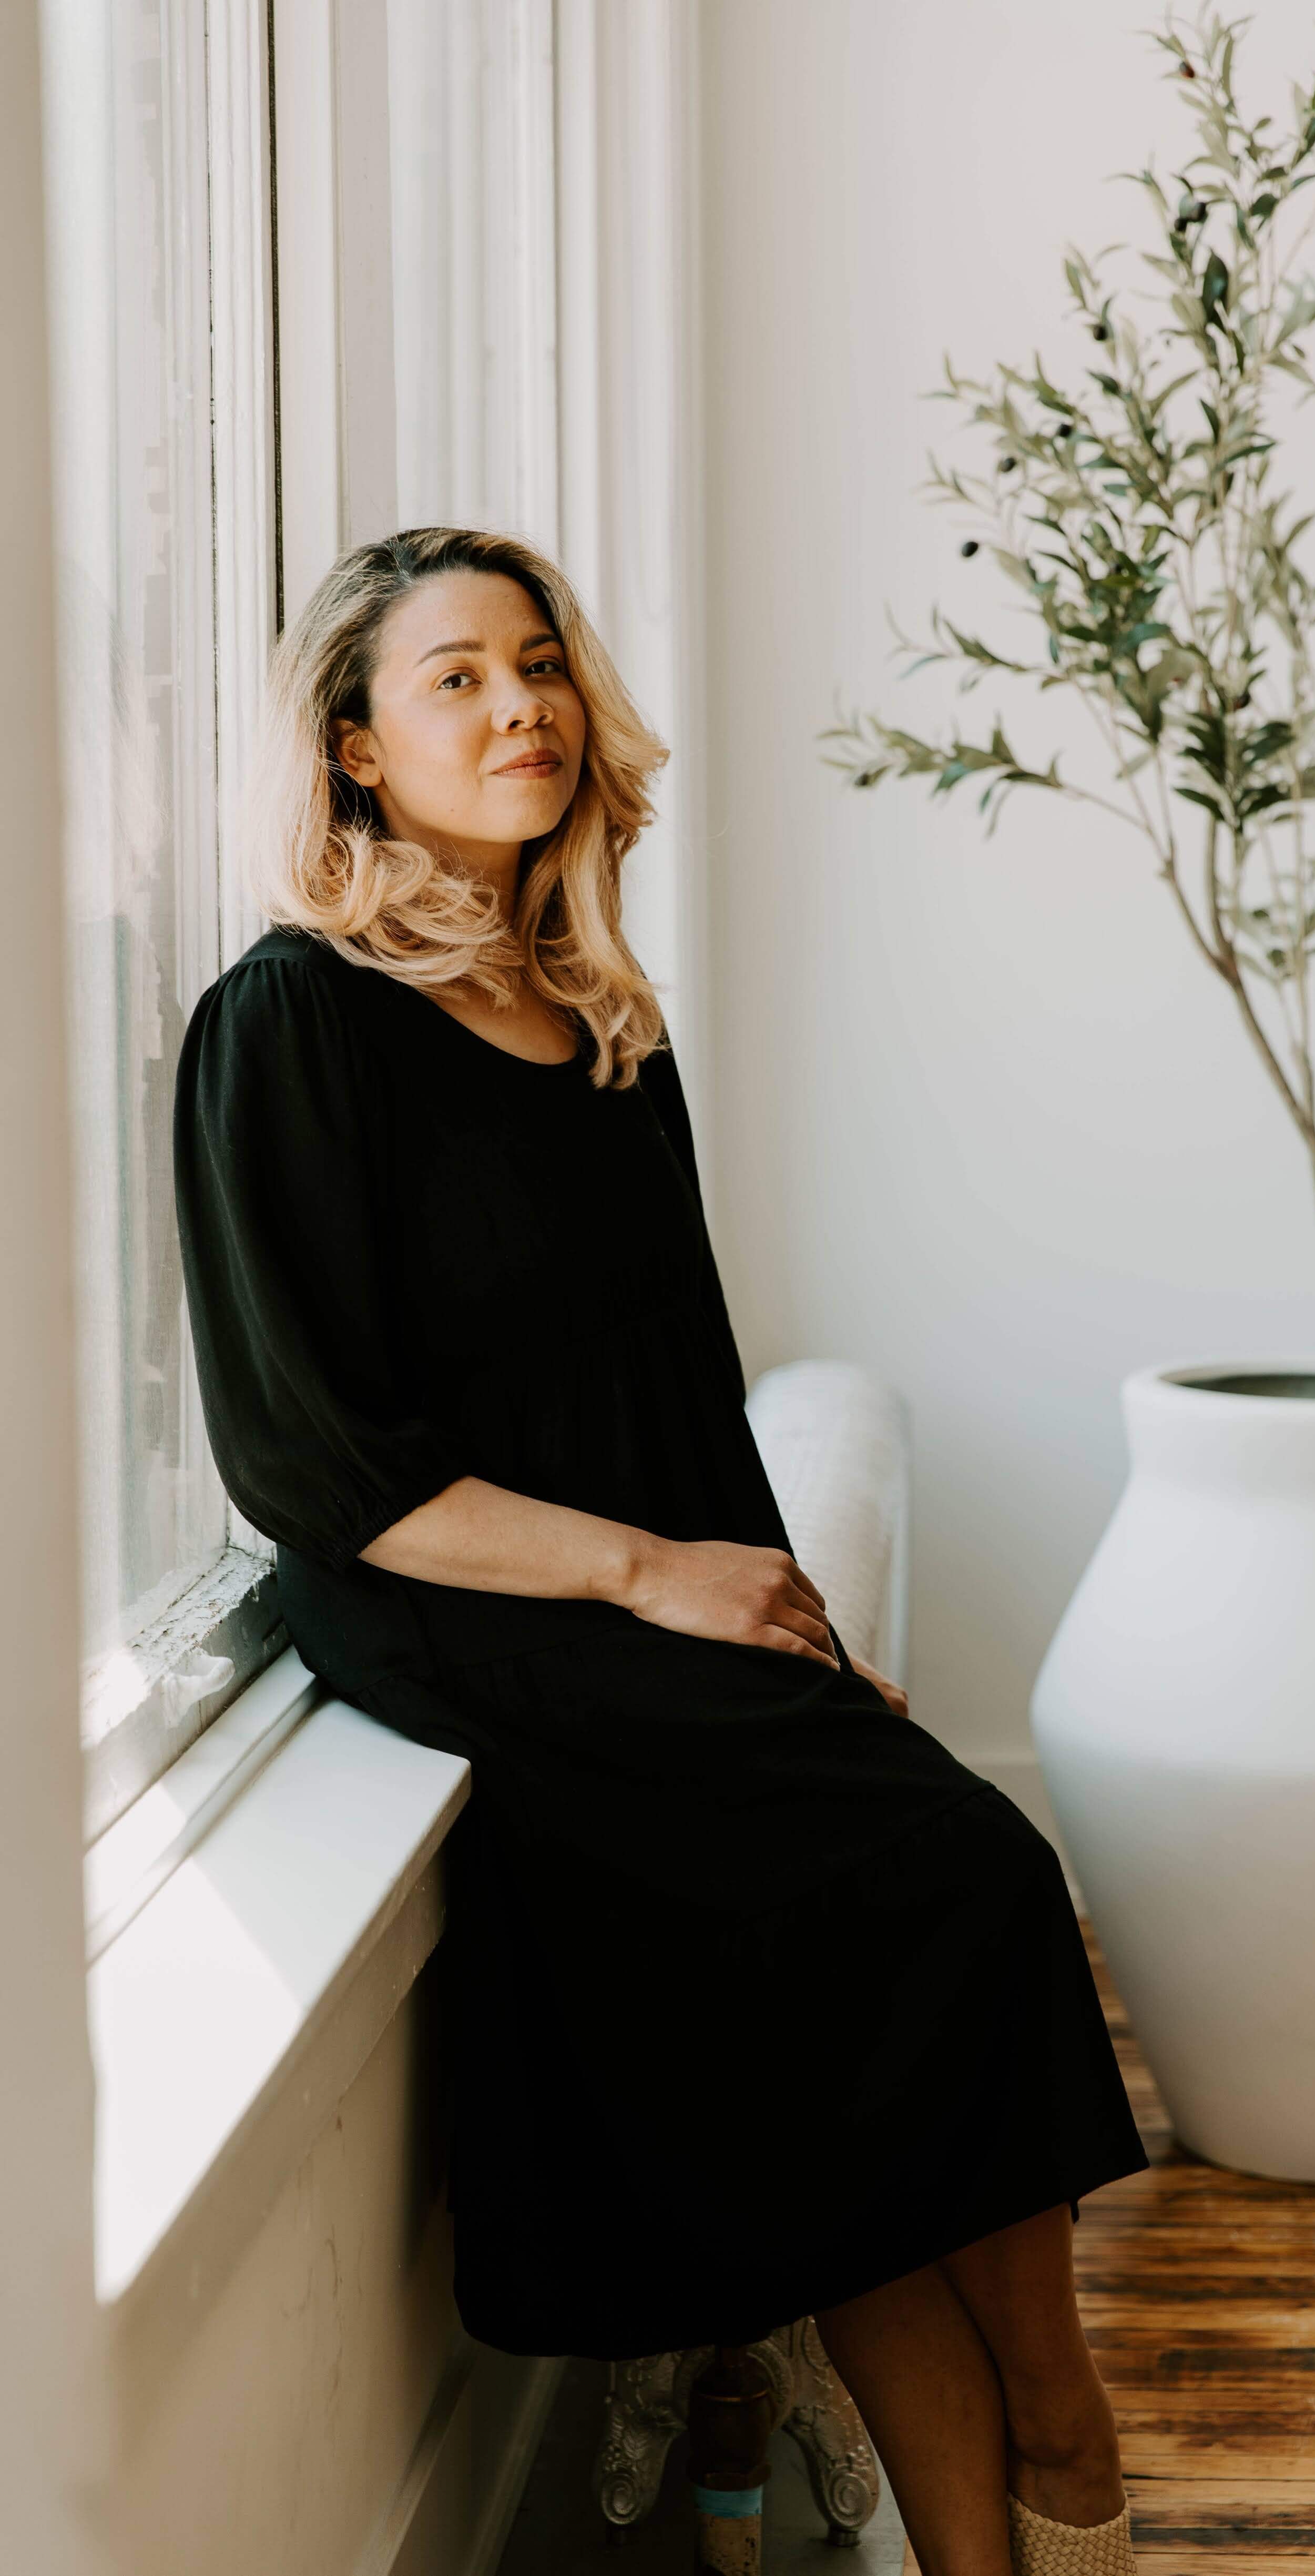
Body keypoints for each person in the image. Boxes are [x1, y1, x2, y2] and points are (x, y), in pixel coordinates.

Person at [171, 524, 1147, 2576]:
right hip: (458, 1606)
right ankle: (1064, 2429)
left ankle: (1009, 2535)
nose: (519, 705)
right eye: (455, 676)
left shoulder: (600, 1022)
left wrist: (783, 1622)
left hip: (652, 1591)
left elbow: (686, 1397)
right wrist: (642, 1575)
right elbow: (310, 1458)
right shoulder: (288, 1022)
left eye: (538, 663)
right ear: (353, 746)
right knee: (972, 1876)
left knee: (858, 2076)